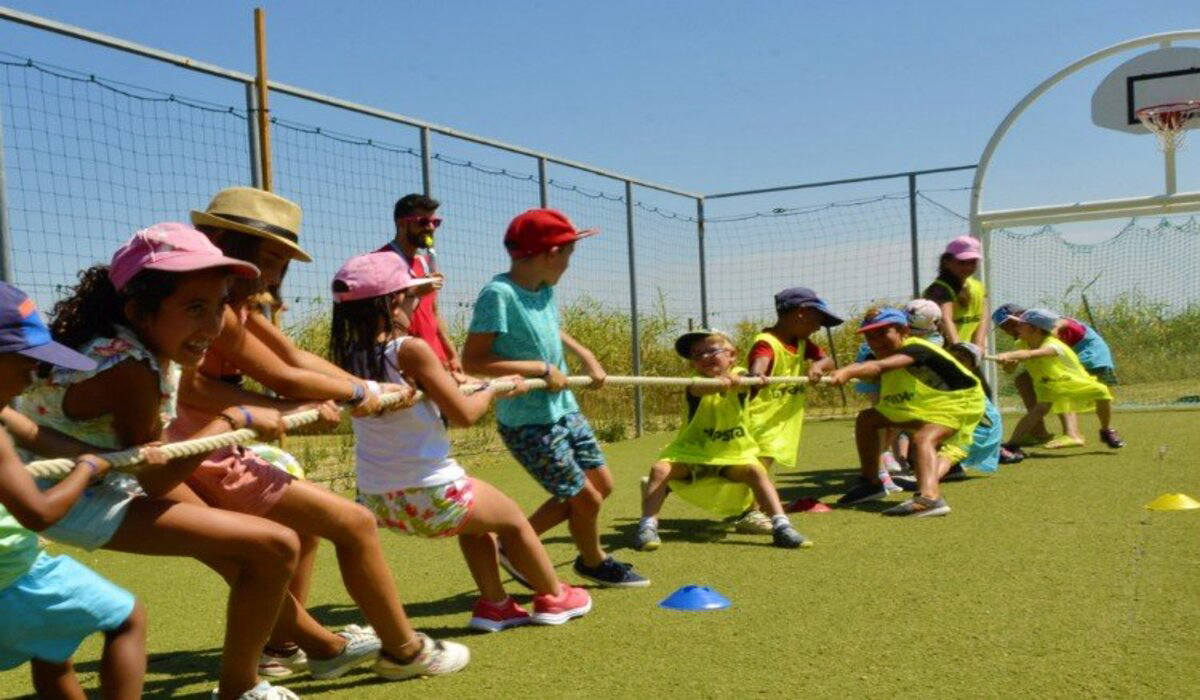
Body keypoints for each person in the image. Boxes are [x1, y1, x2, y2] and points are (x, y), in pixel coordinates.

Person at [184, 187, 469, 680]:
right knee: (349, 525)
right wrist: (350, 397)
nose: (273, 273)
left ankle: (281, 647)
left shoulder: (235, 304)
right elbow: (267, 378)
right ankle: (404, 651)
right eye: (268, 258)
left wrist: (364, 386)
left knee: (298, 534)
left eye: (281, 262)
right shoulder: (208, 305)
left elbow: (294, 359)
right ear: (218, 241)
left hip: (213, 437)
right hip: (196, 445)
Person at [22, 225, 304, 699]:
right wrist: (232, 420)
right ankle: (241, 687)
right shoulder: (130, 370)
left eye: (218, 307)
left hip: (94, 480)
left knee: (258, 546)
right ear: (138, 310)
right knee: (274, 546)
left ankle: (291, 657)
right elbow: (157, 477)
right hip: (65, 492)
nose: (212, 327)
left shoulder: (134, 345)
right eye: (195, 308)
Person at [330, 252, 592, 632]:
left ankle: (496, 605)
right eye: (410, 296)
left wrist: (470, 386)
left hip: (380, 500)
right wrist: (491, 390)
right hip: (431, 492)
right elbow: (465, 414)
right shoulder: (410, 349)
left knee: (478, 524)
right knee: (515, 520)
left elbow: (441, 390)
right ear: (391, 303)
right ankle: (554, 596)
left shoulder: (350, 356)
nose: (416, 303)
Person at [462, 208, 648, 587]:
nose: (568, 264)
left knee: (601, 487)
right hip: (530, 422)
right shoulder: (499, 294)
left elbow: (551, 328)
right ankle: (593, 561)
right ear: (551, 253)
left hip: (565, 409)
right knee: (586, 500)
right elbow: (474, 360)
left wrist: (587, 356)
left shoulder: (544, 290)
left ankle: (513, 544)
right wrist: (541, 368)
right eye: (568, 254)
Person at [0, 282, 147, 700]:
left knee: (54, 648)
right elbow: (40, 514)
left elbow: (34, 434)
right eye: (25, 363)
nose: (32, 379)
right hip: (13, 581)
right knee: (128, 618)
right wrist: (84, 470)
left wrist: (116, 457)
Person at [635, 330, 809, 550]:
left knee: (756, 472)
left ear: (732, 355)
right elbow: (699, 389)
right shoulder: (695, 383)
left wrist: (744, 379)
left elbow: (748, 379)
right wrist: (722, 383)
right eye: (697, 355)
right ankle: (647, 526)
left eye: (711, 350)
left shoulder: (742, 376)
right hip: (693, 454)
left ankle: (782, 526)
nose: (704, 357)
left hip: (730, 455)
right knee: (660, 469)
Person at [827, 308, 985, 517]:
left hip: (958, 403)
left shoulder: (918, 348)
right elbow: (870, 367)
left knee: (923, 438)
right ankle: (871, 483)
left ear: (903, 331)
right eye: (870, 336)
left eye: (883, 333)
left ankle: (929, 498)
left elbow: (879, 367)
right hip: (922, 403)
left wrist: (848, 371)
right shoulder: (882, 353)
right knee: (867, 419)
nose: (876, 341)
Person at [741, 287, 840, 527]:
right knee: (756, 467)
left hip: (781, 420)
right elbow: (759, 364)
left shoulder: (802, 343)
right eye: (818, 319)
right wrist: (758, 374)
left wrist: (818, 367)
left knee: (760, 466)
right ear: (801, 313)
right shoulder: (767, 342)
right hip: (760, 419)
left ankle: (758, 509)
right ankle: (750, 514)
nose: (818, 327)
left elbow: (828, 360)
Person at [993, 309, 1125, 451]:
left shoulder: (1054, 344)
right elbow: (1011, 369)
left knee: (1102, 392)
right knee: (1039, 409)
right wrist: (1008, 364)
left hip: (1070, 380)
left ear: (1036, 329)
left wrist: (1010, 354)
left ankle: (1105, 430)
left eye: (1021, 324)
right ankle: (1011, 445)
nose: (1015, 328)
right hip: (1045, 384)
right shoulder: (1021, 343)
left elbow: (1032, 354)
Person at [381, 194, 465, 377]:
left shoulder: (426, 262)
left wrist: (452, 355)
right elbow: (382, 316)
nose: (430, 228)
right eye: (423, 221)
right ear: (402, 223)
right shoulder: (381, 262)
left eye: (435, 222)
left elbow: (434, 313)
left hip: (438, 362)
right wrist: (415, 291)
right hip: (408, 366)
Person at [944, 342, 1004, 476]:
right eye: (950, 358)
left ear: (972, 366)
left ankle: (951, 466)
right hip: (983, 435)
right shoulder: (975, 382)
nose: (954, 362)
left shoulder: (963, 383)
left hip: (977, 438)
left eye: (961, 359)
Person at [922, 236, 989, 347]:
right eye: (962, 262)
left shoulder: (979, 287)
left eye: (972, 262)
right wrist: (958, 348)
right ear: (946, 262)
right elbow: (945, 319)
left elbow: (983, 318)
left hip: (965, 353)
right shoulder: (939, 288)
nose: (968, 267)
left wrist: (978, 344)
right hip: (943, 352)